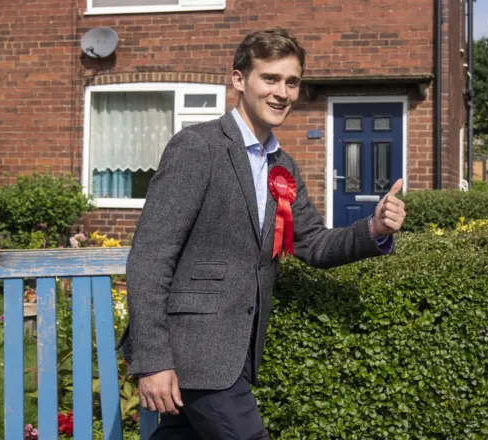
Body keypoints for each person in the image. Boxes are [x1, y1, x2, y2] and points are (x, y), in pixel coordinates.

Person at [118, 27, 407, 439]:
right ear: (239, 79)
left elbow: (314, 243)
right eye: (270, 78)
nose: (282, 92)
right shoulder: (198, 148)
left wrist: (374, 229)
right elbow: (150, 256)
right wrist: (153, 360)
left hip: (235, 355)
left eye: (291, 82)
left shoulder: (282, 165)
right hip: (194, 352)